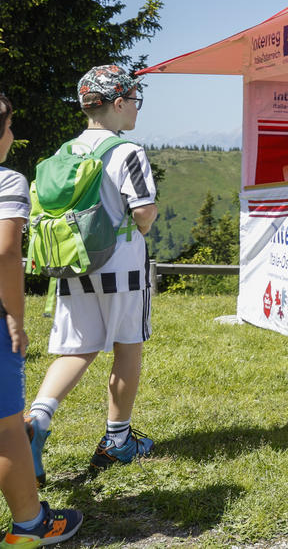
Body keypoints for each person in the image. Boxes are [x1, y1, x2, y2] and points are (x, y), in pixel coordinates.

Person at [26, 66, 158, 483]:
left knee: (76, 350)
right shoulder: (127, 151)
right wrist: (143, 226)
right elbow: (142, 213)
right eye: (134, 100)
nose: (136, 108)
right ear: (118, 104)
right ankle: (118, 440)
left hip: (73, 267)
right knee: (127, 347)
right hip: (121, 270)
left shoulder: (66, 151)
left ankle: (38, 420)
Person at [0, 95, 84, 545]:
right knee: (6, 427)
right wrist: (15, 317)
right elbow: (7, 252)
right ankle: (31, 526)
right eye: (10, 125)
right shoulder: (8, 181)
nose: (13, 135)